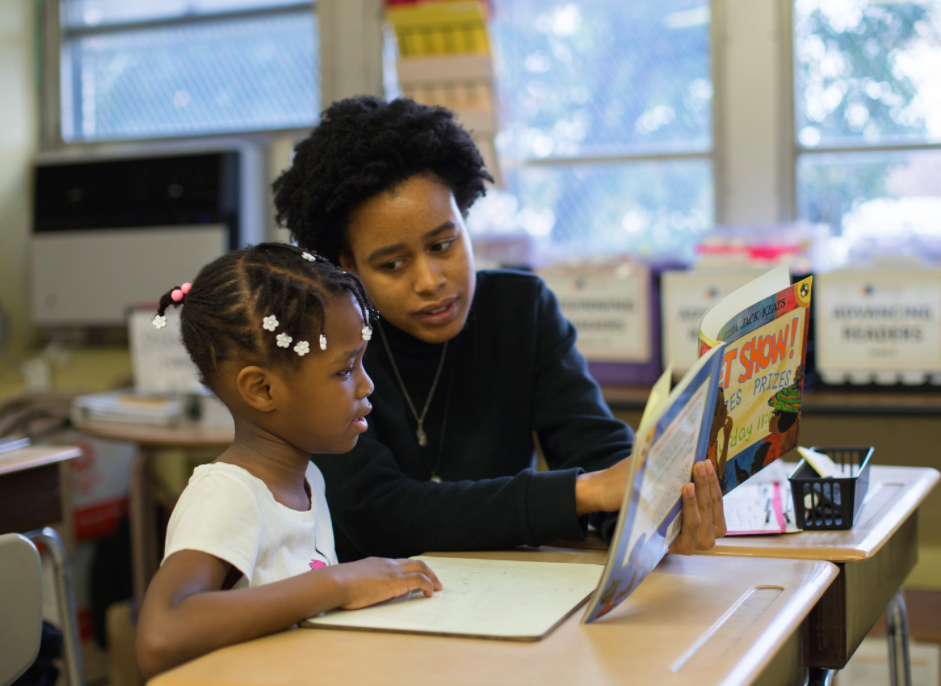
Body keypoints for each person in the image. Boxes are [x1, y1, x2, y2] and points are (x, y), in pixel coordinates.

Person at [272, 96, 726, 561]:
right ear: (347, 264)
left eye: (444, 244)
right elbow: (377, 512)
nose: (430, 280)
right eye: (392, 263)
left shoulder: (520, 310)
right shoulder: (327, 347)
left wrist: (648, 516)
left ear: (466, 223)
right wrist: (586, 494)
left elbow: (595, 448)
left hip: (503, 592)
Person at [135, 243, 442, 677]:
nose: (366, 385)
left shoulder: (308, 480)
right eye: (344, 370)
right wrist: (337, 582)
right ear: (261, 389)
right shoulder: (227, 494)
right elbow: (160, 635)